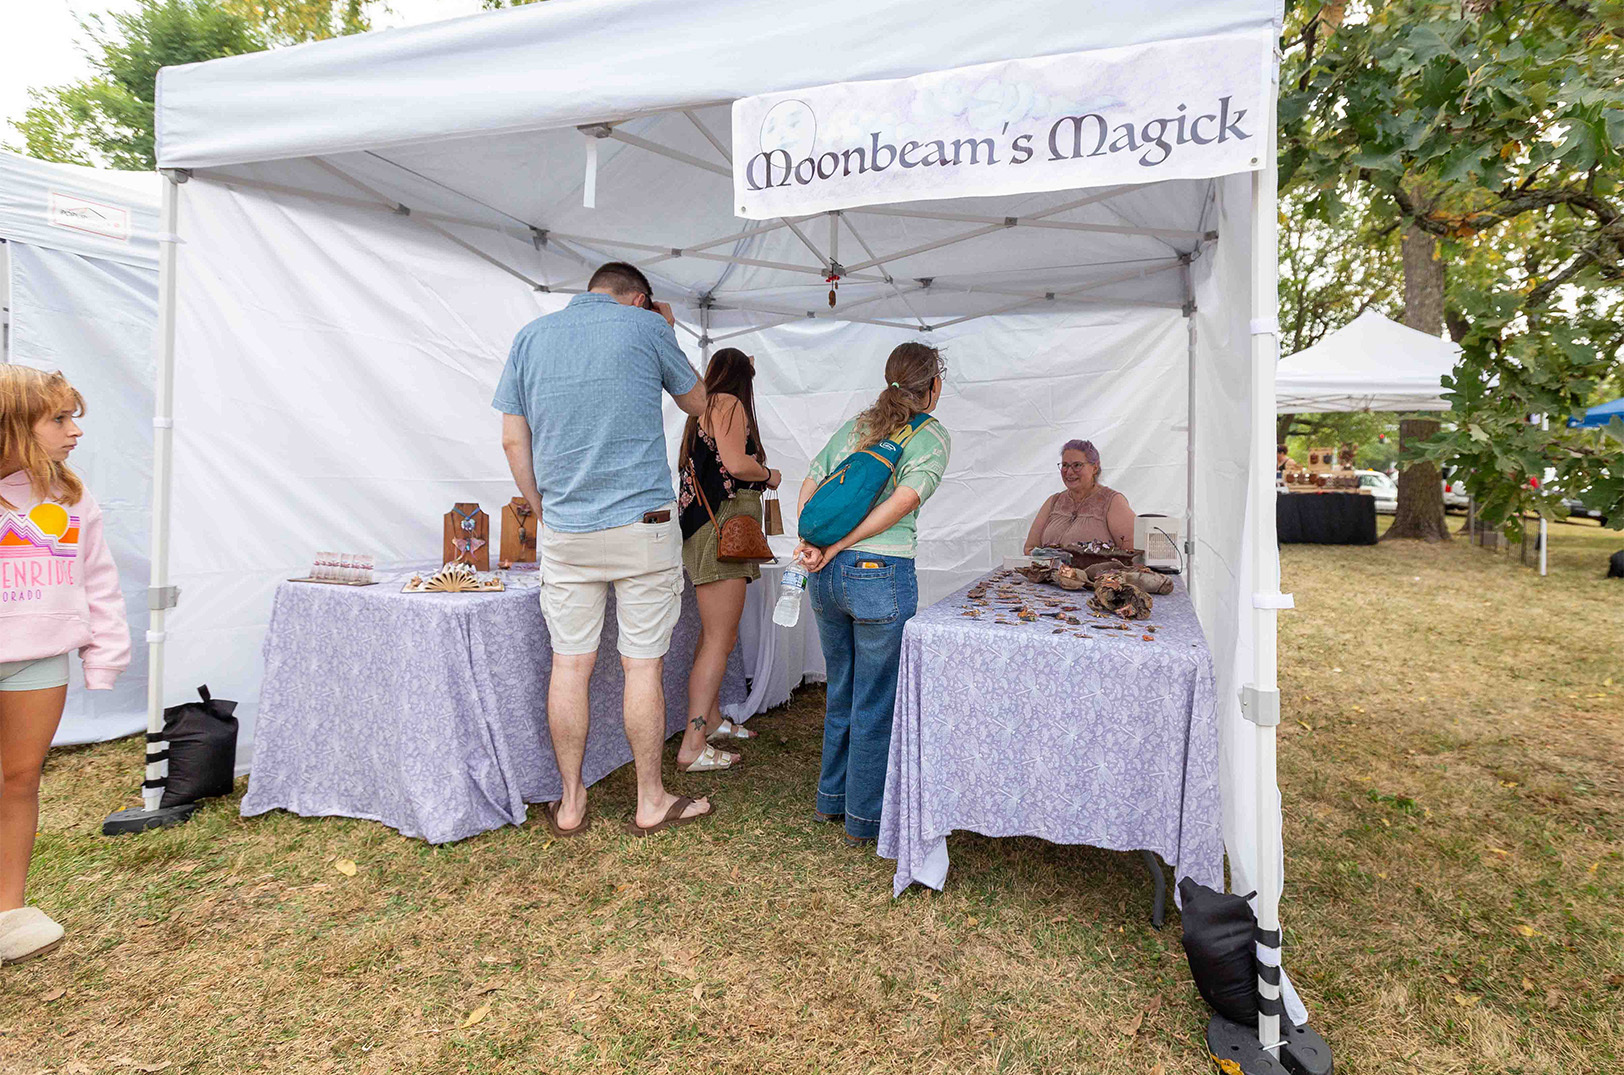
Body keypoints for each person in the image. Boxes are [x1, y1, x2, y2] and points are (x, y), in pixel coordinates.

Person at [494, 261, 713, 838]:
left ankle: (569, 803)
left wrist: (542, 507)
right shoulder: (645, 328)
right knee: (641, 664)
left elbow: (513, 438)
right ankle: (649, 800)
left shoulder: (530, 337)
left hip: (568, 526)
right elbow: (700, 403)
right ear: (638, 298)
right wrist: (666, 329)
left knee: (570, 664)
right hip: (643, 521)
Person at [795, 342, 951, 846]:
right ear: (933, 387)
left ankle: (832, 801)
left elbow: (812, 481)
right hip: (879, 572)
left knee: (842, 689)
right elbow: (903, 502)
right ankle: (865, 819)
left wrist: (811, 542)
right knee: (875, 698)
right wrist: (843, 542)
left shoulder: (860, 426)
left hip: (825, 575)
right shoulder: (931, 437)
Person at [0, 367, 129, 963]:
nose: (74, 431)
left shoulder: (72, 498)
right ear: (13, 424)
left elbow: (99, 582)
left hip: (38, 662)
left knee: (20, 779)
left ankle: (8, 915)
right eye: (59, 418)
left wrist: (104, 655)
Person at [674, 348, 781, 773]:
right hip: (722, 533)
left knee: (717, 634)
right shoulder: (730, 402)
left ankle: (712, 720)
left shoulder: (702, 408)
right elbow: (737, 463)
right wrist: (769, 475)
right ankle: (692, 744)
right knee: (720, 639)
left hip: (704, 532)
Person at [1023, 439, 1136, 553]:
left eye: (1077, 465)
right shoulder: (1054, 502)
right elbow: (1029, 548)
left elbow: (1132, 550)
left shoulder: (1112, 502)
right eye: (1065, 465)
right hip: (1053, 571)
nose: (1069, 472)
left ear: (1095, 468)